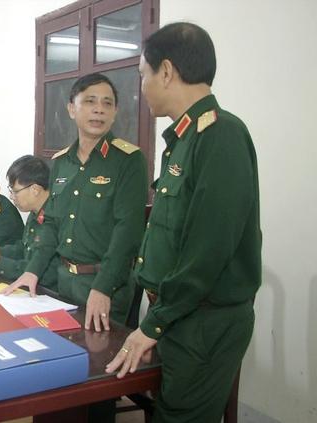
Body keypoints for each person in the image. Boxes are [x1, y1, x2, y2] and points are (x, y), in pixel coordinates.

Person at [105, 23, 261, 423]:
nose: (141, 87)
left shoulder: (220, 135)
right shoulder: (185, 139)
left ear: (167, 72)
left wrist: (153, 324)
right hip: (178, 313)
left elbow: (207, 250)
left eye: (143, 74)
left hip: (202, 321)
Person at [5, 73, 148, 334]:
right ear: (72, 109)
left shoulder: (128, 160)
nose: (99, 109)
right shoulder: (61, 162)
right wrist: (32, 271)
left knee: (97, 354)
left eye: (107, 103)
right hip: (64, 281)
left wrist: (103, 287)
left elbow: (127, 232)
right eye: (90, 101)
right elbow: (51, 223)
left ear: (115, 112)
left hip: (105, 286)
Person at [0, 155, 58, 291]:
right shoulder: (35, 213)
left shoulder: (56, 217)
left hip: (54, 293)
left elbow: (46, 272)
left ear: (35, 189)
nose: (11, 196)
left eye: (15, 191)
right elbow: (25, 249)